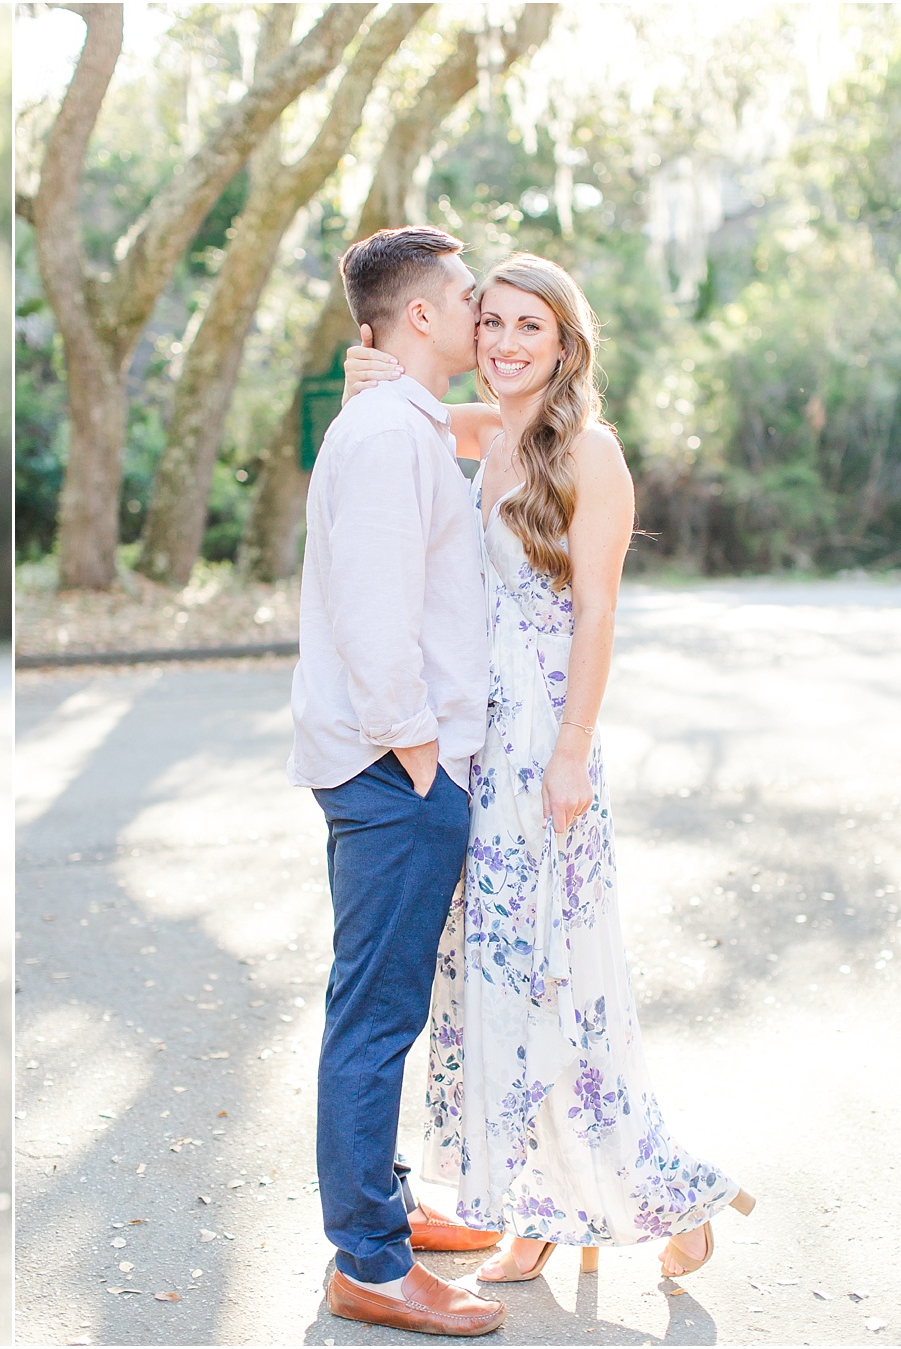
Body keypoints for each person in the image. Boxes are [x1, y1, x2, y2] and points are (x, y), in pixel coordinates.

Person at [343, 252, 754, 1285]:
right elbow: (405, 412)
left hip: (544, 744)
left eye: (532, 328)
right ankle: (535, 1202)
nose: (507, 344)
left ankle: (665, 1193)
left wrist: (571, 752)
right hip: (481, 737)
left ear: (566, 345)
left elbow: (599, 611)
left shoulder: (590, 450)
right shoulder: (488, 436)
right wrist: (372, 377)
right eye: (494, 325)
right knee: (493, 974)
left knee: (556, 976)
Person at [288, 225, 507, 1337]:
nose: (483, 311)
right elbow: (376, 621)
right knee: (374, 1016)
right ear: (420, 314)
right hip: (394, 772)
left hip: (406, 767)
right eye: (470, 296)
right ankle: (368, 1259)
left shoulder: (403, 418)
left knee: (386, 1006)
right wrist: (421, 755)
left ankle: (387, 1206)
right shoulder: (384, 435)